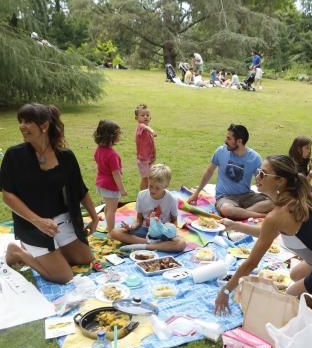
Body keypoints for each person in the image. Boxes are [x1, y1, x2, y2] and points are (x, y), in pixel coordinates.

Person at [214, 155, 312, 326]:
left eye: (263, 173)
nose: (257, 176)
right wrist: (236, 226)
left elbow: (251, 263)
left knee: (292, 298)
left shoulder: (278, 215)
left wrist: (225, 291)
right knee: (294, 274)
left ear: (279, 181)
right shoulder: (296, 197)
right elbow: (267, 232)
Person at [0, 103, 99, 283]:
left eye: (28, 121)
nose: (22, 125)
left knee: (85, 259)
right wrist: (37, 221)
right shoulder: (14, 155)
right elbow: (7, 196)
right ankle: (18, 252)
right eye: (21, 121)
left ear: (44, 126)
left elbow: (80, 189)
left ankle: (51, 252)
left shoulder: (66, 156)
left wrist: (95, 216)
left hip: (62, 221)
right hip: (31, 224)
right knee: (63, 276)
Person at [187, 124, 274, 220]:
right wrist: (196, 193)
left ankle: (242, 213)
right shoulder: (220, 151)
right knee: (226, 209)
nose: (225, 141)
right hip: (225, 198)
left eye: (229, 138)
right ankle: (257, 215)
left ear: (239, 141)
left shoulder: (254, 158)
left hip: (246, 196)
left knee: (274, 202)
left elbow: (262, 180)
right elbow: (209, 172)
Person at [111, 164, 186, 253]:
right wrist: (131, 227)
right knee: (114, 232)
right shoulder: (142, 195)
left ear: (166, 186)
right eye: (150, 186)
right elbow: (139, 219)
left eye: (157, 188)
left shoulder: (171, 199)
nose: (153, 190)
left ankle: (146, 245)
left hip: (163, 234)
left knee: (181, 244)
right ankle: (151, 244)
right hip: (144, 230)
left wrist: (169, 229)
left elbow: (174, 221)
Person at [94, 120, 127, 234]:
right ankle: (112, 232)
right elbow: (116, 174)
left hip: (101, 184)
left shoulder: (99, 150)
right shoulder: (112, 155)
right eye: (118, 133)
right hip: (110, 186)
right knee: (112, 210)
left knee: (108, 207)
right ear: (111, 136)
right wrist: (122, 189)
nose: (120, 135)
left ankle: (109, 227)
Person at [134, 103, 157, 190]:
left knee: (148, 178)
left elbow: (151, 144)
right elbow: (144, 127)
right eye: (142, 115)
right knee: (145, 179)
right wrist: (152, 130)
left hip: (149, 158)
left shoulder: (146, 130)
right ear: (136, 118)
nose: (145, 117)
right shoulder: (141, 127)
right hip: (143, 159)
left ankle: (146, 192)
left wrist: (154, 155)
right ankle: (142, 194)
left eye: (147, 115)